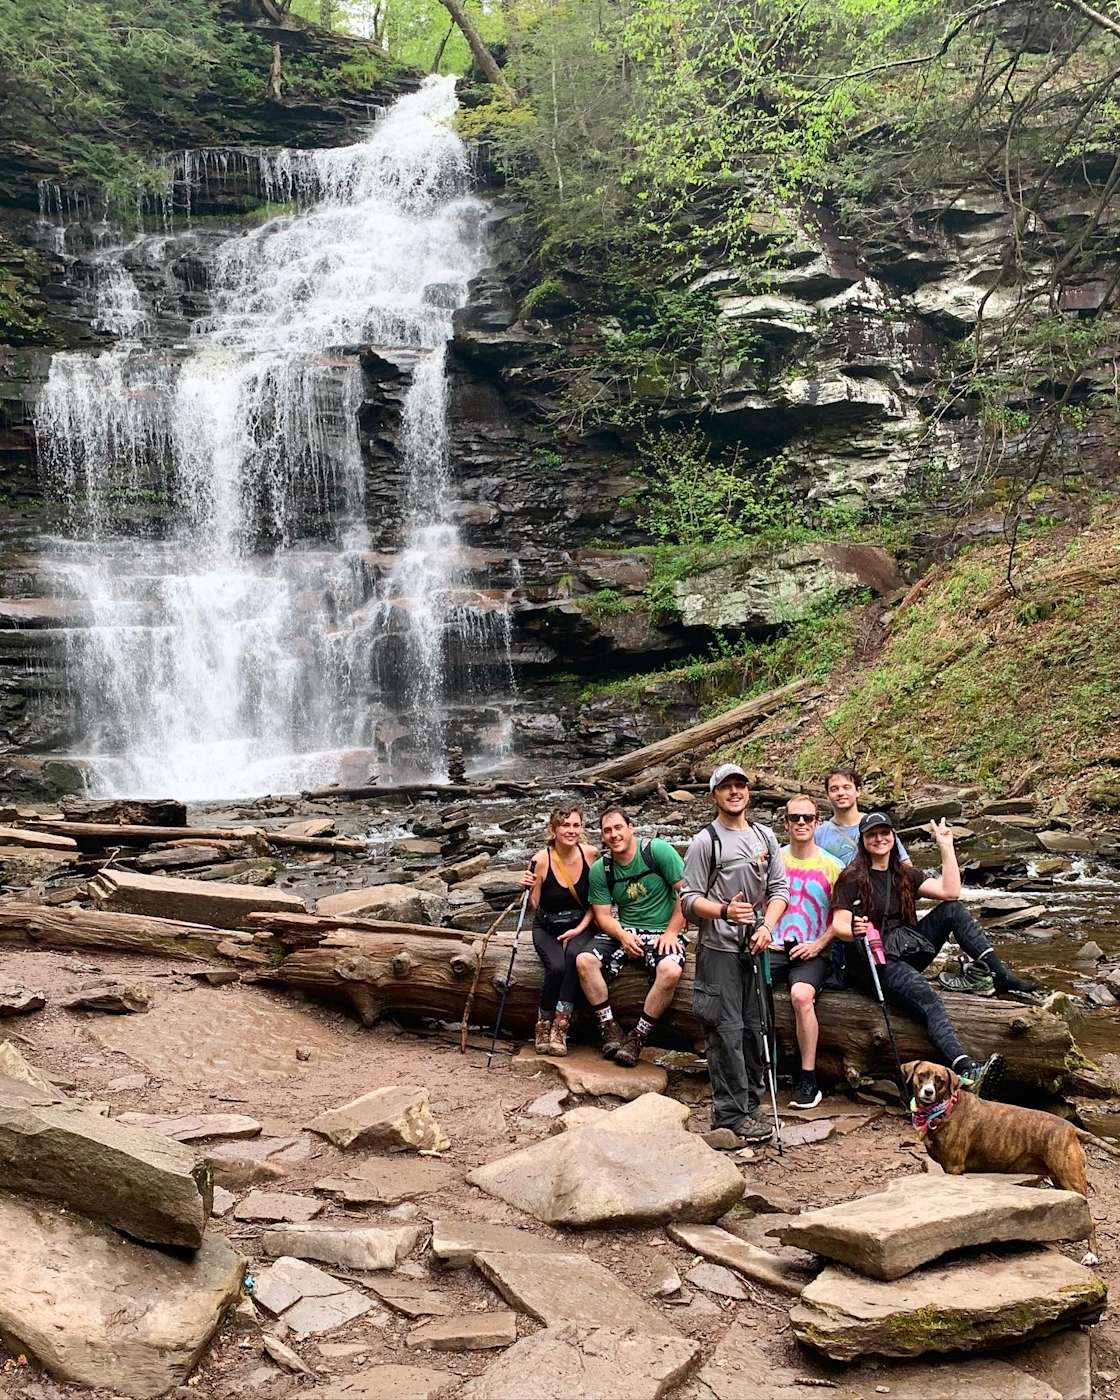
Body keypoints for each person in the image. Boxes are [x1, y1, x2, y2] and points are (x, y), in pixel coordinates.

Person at [831, 811, 1041, 1095]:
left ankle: (1000, 975)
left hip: (907, 948)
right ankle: (965, 1068)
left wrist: (945, 847)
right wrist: (854, 929)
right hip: (874, 963)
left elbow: (950, 892)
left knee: (952, 911)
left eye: (884, 833)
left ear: (893, 837)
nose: (879, 839)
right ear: (863, 840)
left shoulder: (904, 874)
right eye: (872, 835)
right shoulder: (852, 878)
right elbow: (839, 925)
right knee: (930, 1000)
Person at [681, 764, 789, 1147]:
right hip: (718, 951)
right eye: (726, 787)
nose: (734, 792)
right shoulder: (704, 842)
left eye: (739, 785)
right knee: (724, 1031)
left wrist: (766, 927)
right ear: (715, 795)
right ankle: (729, 1115)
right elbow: (689, 900)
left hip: (755, 948)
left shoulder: (766, 837)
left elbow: (779, 889)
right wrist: (725, 911)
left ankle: (751, 1104)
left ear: (748, 792)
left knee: (754, 1028)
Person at [577, 808, 687, 1069]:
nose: (614, 835)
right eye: (607, 831)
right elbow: (603, 916)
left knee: (670, 970)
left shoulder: (658, 851)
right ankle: (609, 1027)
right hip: (625, 930)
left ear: (630, 827)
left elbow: (689, 893)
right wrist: (623, 935)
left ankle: (638, 1037)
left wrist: (672, 931)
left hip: (663, 930)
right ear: (602, 836)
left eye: (618, 828)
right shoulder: (601, 869)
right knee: (584, 961)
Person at [767, 795, 844, 1110]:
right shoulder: (773, 860)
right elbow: (761, 902)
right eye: (795, 818)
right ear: (785, 823)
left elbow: (840, 920)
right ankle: (762, 1065)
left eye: (808, 818)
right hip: (773, 944)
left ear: (818, 823)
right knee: (745, 983)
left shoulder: (833, 866)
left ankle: (807, 1076)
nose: (801, 823)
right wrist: (763, 932)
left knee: (800, 996)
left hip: (814, 947)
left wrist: (819, 944)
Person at [522, 806, 599, 1057]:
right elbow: (534, 905)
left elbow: (597, 902)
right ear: (554, 830)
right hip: (547, 927)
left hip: (581, 925)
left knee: (573, 959)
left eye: (576, 826)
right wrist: (527, 887)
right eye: (565, 825)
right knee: (556, 967)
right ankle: (543, 1024)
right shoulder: (541, 859)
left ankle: (560, 1027)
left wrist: (578, 929)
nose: (571, 831)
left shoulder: (590, 855)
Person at [817, 766, 909, 867]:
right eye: (834, 789)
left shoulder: (878, 825)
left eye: (846, 787)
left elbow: (905, 864)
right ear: (827, 796)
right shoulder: (819, 835)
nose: (841, 793)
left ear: (858, 791)